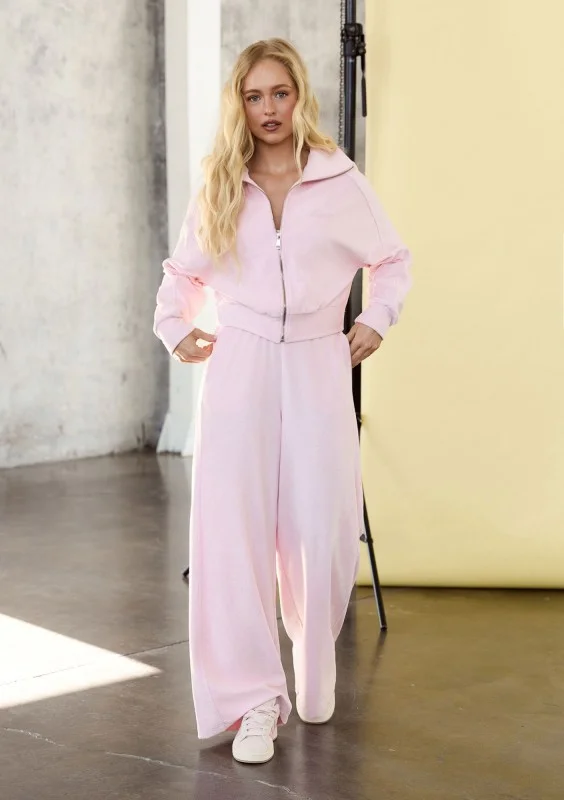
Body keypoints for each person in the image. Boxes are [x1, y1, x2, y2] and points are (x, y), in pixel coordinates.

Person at [154, 38, 412, 764]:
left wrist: (375, 317)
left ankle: (313, 655)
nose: (268, 109)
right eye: (253, 96)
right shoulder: (221, 182)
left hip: (318, 360)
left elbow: (393, 260)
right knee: (231, 533)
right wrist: (175, 327)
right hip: (240, 361)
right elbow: (182, 273)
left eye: (280, 93)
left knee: (322, 526)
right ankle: (253, 701)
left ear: (300, 96)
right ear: (239, 105)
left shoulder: (338, 179)